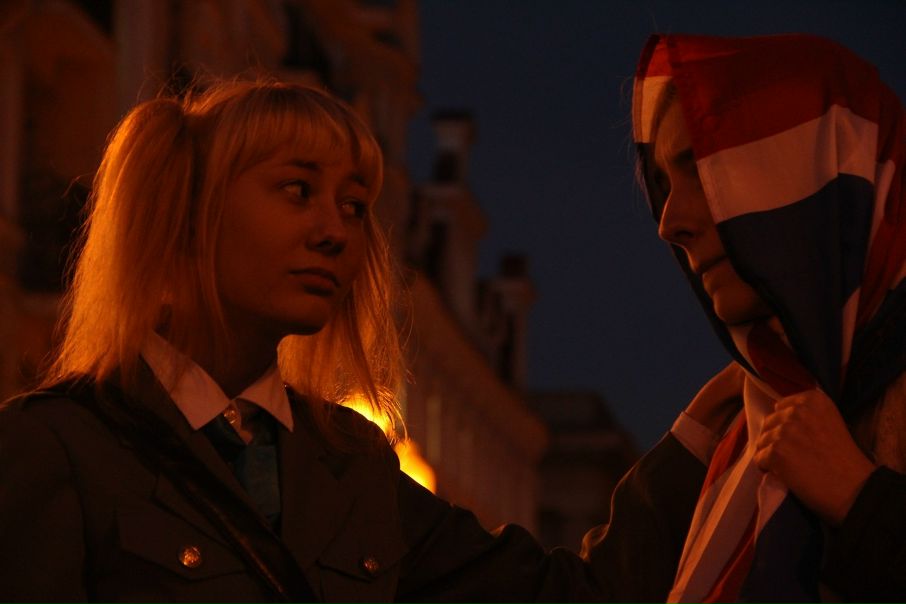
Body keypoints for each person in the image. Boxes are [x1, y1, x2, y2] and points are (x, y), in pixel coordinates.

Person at [0, 78, 702, 603]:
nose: (335, 232)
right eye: (297, 190)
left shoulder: (349, 463)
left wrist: (706, 436)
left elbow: (564, 596)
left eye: (355, 206)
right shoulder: (56, 448)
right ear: (188, 215)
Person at [632, 33, 906, 602]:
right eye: (664, 184)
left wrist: (858, 498)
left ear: (813, 169)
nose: (668, 223)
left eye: (703, 170)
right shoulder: (750, 418)